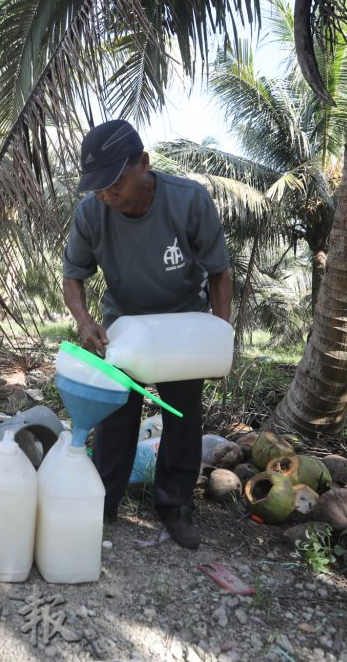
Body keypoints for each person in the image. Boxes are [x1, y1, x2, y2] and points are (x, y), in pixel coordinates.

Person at [62, 119, 232, 549]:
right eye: (97, 187)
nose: (106, 195)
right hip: (125, 328)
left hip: (182, 328)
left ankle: (175, 506)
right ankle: (102, 501)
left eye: (115, 183)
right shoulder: (91, 214)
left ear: (143, 163)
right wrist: (85, 323)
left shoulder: (189, 201)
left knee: (181, 416)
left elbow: (219, 273)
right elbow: (73, 277)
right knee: (117, 415)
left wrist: (217, 340)